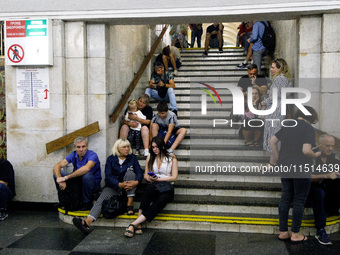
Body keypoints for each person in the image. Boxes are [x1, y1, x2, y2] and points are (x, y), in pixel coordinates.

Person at [270, 106, 321, 243]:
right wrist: (315, 154)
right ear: (311, 118)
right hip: (301, 167)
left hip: (286, 166)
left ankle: (283, 232)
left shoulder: (288, 124)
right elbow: (306, 151)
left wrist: (279, 156)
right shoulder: (307, 128)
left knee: (285, 198)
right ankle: (296, 234)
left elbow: (272, 141)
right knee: (299, 200)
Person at [72, 138, 143, 234]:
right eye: (124, 147)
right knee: (101, 199)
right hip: (114, 186)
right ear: (117, 148)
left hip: (128, 189)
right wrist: (119, 184)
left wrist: (137, 182)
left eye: (128, 147)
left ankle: (130, 204)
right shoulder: (111, 159)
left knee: (130, 172)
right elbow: (108, 177)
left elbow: (139, 172)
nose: (127, 149)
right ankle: (87, 223)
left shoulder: (132, 158)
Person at [124, 136, 178, 237]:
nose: (155, 149)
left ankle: (134, 224)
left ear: (162, 146)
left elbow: (174, 177)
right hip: (154, 185)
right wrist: (151, 179)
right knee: (148, 190)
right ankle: (139, 222)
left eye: (157, 147)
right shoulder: (150, 156)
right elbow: (145, 175)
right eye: (153, 147)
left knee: (161, 200)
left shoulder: (171, 157)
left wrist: (159, 179)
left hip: (167, 188)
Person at [53, 136, 102, 211]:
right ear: (75, 148)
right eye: (78, 147)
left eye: (83, 146)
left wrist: (66, 178)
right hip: (78, 183)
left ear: (87, 146)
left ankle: (87, 202)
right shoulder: (73, 154)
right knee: (56, 174)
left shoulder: (92, 155)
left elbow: (87, 168)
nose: (81, 150)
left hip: (92, 185)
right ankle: (63, 200)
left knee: (86, 175)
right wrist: (60, 179)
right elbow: (57, 165)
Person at [308, 134, 339, 246]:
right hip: (310, 188)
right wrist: (326, 175)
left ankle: (334, 209)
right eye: (327, 146)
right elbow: (308, 177)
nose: (330, 148)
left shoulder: (334, 157)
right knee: (318, 192)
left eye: (332, 146)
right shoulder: (310, 155)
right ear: (319, 144)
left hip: (328, 189)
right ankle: (320, 229)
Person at [261, 58, 292, 166]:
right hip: (279, 108)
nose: (271, 70)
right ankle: (273, 162)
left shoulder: (280, 79)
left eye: (273, 67)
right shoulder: (286, 79)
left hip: (275, 110)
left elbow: (275, 96)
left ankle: (274, 162)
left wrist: (263, 102)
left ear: (280, 68)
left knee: (273, 135)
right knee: (275, 134)